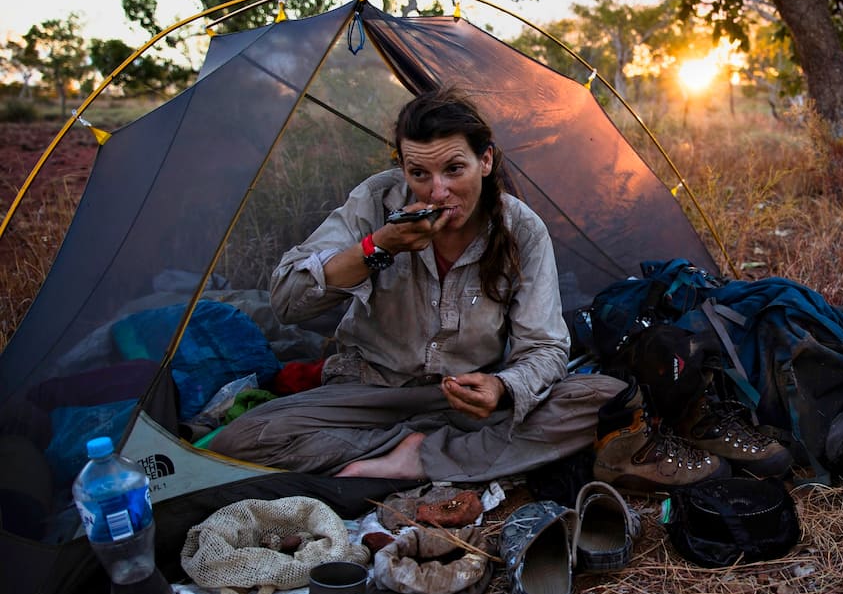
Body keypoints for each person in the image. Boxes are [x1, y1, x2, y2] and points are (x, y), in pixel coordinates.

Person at [209, 86, 635, 484]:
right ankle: (436, 458)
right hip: (368, 395)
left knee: (605, 397)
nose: (438, 192)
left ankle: (413, 459)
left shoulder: (521, 229)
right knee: (242, 440)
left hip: (465, 402)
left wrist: (502, 387)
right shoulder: (376, 202)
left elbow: (544, 347)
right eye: (419, 173)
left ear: (484, 162)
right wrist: (377, 248)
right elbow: (287, 301)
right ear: (402, 167)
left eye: (454, 169)